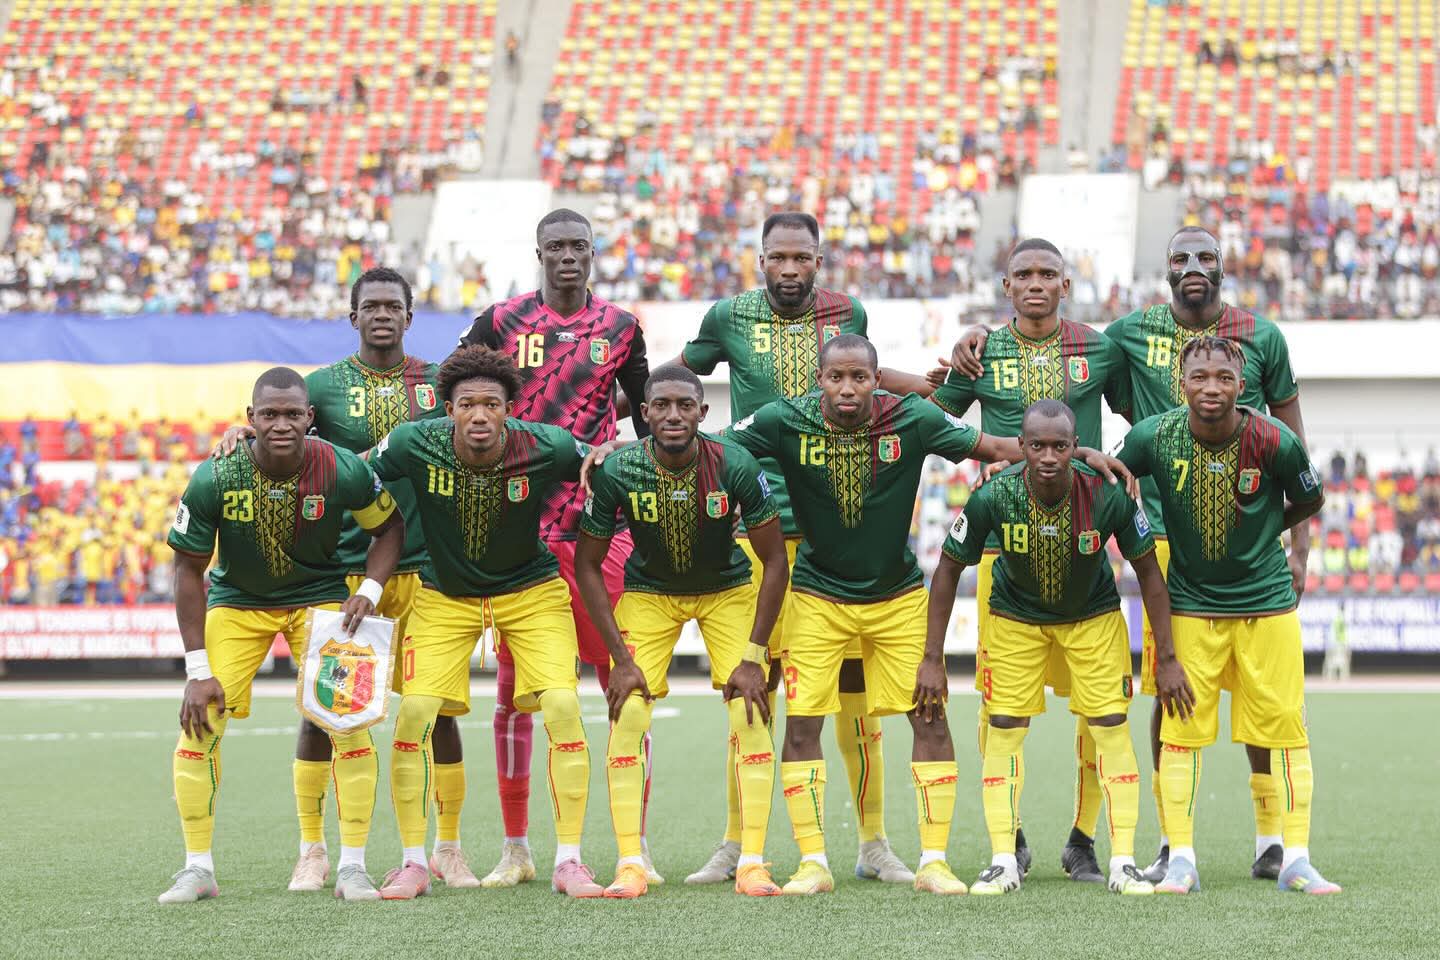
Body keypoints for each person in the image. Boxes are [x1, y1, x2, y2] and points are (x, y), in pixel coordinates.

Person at [946, 225, 1312, 883]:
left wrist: (1299, 543)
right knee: (1140, 695)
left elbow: (1291, 439)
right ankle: (1123, 842)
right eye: (1181, 257)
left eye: (1205, 256)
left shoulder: (1249, 338)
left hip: (1209, 543)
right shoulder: (1122, 337)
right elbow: (940, 410)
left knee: (1235, 695)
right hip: (1098, 541)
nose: (1194, 265)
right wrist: (976, 353)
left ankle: (1256, 839)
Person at [714, 334, 1130, 895]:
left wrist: (1076, 454)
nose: (847, 388)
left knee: (929, 716)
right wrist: (620, 452)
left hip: (899, 597)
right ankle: (813, 863)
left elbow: (999, 446)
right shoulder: (784, 418)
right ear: (819, 380)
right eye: (836, 377)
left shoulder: (911, 417)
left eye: (859, 377)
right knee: (804, 722)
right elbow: (712, 445)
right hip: (816, 595)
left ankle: (933, 862)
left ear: (876, 378)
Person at [670, 211, 935, 886]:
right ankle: (739, 844)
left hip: (837, 532)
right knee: (753, 691)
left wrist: (928, 385)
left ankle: (873, 843)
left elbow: (865, 379)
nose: (789, 269)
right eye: (778, 257)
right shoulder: (727, 316)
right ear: (760, 259)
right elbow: (676, 380)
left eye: (801, 257)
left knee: (854, 697)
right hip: (758, 533)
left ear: (819, 260)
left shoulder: (849, 312)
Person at [214, 269, 477, 890]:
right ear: (352, 316)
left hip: (428, 569)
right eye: (371, 306)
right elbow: (280, 435)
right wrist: (241, 432)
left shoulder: (437, 383)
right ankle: (313, 849)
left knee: (437, 711)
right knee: (324, 713)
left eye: (393, 305)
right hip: (344, 574)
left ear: (409, 316)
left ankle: (448, 847)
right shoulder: (322, 388)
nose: (382, 314)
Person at [456, 208, 656, 886]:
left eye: (579, 246)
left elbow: (647, 414)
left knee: (622, 679)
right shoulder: (501, 322)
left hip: (599, 532)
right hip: (522, 534)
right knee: (516, 697)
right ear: (538, 253)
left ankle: (633, 846)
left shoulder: (621, 328)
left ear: (593, 254)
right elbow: (446, 392)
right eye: (556, 247)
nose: (567, 256)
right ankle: (516, 848)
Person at [159, 367, 406, 903]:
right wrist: (197, 671)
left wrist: (369, 589)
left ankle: (353, 867)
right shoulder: (214, 476)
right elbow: (186, 570)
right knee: (200, 725)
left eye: (292, 414)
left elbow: (390, 528)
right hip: (238, 605)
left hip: (321, 602)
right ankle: (197, 868)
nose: (281, 424)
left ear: (309, 418)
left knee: (350, 723)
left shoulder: (340, 467)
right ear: (250, 418)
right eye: (269, 414)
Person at [926, 399, 1192, 896]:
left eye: (1060, 446)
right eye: (1038, 446)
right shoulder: (993, 494)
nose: (1048, 457)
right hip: (1014, 621)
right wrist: (931, 659)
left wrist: (1170, 658)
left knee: (1111, 727)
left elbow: (1150, 575)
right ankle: (1003, 861)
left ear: (1076, 447)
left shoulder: (1108, 495)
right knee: (1004, 730)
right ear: (1021, 447)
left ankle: (1124, 863)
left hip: (1093, 620)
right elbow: (947, 570)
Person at [929, 238, 1133, 883]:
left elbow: (1145, 413)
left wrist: (1106, 461)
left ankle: (1083, 838)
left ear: (1066, 285)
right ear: (1006, 286)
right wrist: (990, 447)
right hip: (1004, 550)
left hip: (1085, 551)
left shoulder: (1101, 349)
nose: (1036, 284)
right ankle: (1008, 838)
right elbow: (932, 422)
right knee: (999, 711)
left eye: (1049, 274)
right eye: (1024, 274)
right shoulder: (981, 351)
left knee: (1097, 714)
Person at [368, 345, 605, 900]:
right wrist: (252, 439)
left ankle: (569, 861)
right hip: (445, 596)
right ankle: (413, 862)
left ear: (509, 410)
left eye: (491, 405)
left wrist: (612, 451)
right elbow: (347, 469)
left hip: (531, 592)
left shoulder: (544, 444)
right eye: (467, 404)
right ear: (448, 409)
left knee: (562, 704)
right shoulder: (411, 441)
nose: (479, 415)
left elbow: (600, 460)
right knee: (415, 713)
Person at [1115, 336, 1337, 896]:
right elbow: (1108, 473)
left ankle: (1296, 859)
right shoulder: (1155, 435)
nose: (1211, 387)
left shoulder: (1273, 438)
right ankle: (1182, 860)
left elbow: (1311, 497)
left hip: (1268, 606)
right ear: (1181, 383)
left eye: (1223, 378)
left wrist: (1267, 529)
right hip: (1192, 607)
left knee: (1287, 730)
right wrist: (1093, 462)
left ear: (1242, 385)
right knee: (1182, 732)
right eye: (1199, 377)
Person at [574, 365, 790, 898]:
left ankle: (752, 863)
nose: (674, 415)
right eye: (662, 406)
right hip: (649, 594)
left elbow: (774, 560)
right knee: (628, 712)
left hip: (727, 590)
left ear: (703, 412)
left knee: (749, 710)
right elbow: (587, 565)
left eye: (685, 405)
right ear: (644, 414)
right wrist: (620, 658)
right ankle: (630, 863)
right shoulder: (618, 469)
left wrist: (754, 655)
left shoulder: (735, 464)